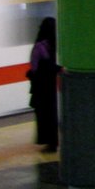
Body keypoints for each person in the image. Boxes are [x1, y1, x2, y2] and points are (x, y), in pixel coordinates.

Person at [27, 17, 60, 153]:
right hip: (52, 86)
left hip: (41, 88)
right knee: (52, 113)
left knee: (43, 114)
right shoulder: (57, 45)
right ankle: (54, 141)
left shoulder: (39, 46)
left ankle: (48, 142)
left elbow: (34, 67)